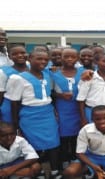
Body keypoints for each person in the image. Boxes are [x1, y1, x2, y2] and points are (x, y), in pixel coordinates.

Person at [6, 48, 61, 178]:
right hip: (30, 115)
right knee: (33, 144)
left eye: (45, 60)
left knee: (54, 142)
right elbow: (14, 102)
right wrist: (16, 124)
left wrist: (53, 110)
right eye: (39, 59)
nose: (43, 61)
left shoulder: (47, 74)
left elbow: (50, 94)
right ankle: (39, 170)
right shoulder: (18, 78)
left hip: (47, 113)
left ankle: (55, 170)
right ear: (30, 59)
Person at [51, 48, 84, 168]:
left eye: (73, 57)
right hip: (62, 109)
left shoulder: (83, 72)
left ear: (77, 59)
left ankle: (76, 160)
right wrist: (60, 95)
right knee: (63, 137)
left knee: (77, 136)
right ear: (61, 58)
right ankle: (64, 161)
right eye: (66, 56)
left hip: (78, 109)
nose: (69, 59)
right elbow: (49, 93)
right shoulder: (53, 73)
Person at [77, 53, 105, 125]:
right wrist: (83, 118)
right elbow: (81, 99)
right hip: (91, 111)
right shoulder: (89, 78)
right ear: (96, 62)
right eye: (104, 61)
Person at [0, 45, 28, 124]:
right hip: (9, 108)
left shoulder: (33, 68)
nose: (20, 55)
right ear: (10, 56)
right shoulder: (3, 72)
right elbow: (1, 93)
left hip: (27, 106)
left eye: (23, 53)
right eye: (15, 54)